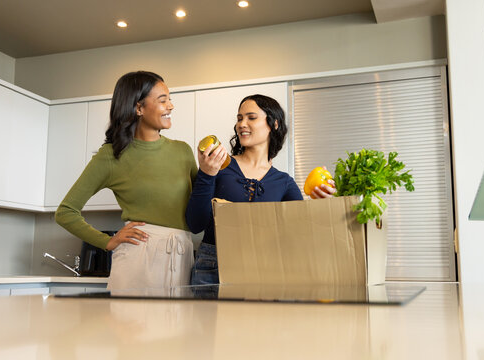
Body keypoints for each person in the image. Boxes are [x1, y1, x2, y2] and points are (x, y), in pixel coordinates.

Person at [55, 71, 197, 291]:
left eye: (170, 99)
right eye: (163, 100)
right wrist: (107, 241)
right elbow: (65, 212)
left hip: (182, 256)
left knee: (177, 325)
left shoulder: (183, 151)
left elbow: (200, 208)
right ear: (138, 108)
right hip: (138, 259)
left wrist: (211, 173)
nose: (170, 106)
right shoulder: (111, 155)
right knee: (129, 325)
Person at [186, 94, 336, 285]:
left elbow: (301, 235)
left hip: (265, 270)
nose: (241, 124)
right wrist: (207, 174)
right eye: (239, 118)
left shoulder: (284, 182)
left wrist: (321, 203)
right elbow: (195, 224)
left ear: (273, 124)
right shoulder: (218, 166)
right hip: (213, 268)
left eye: (251, 117)